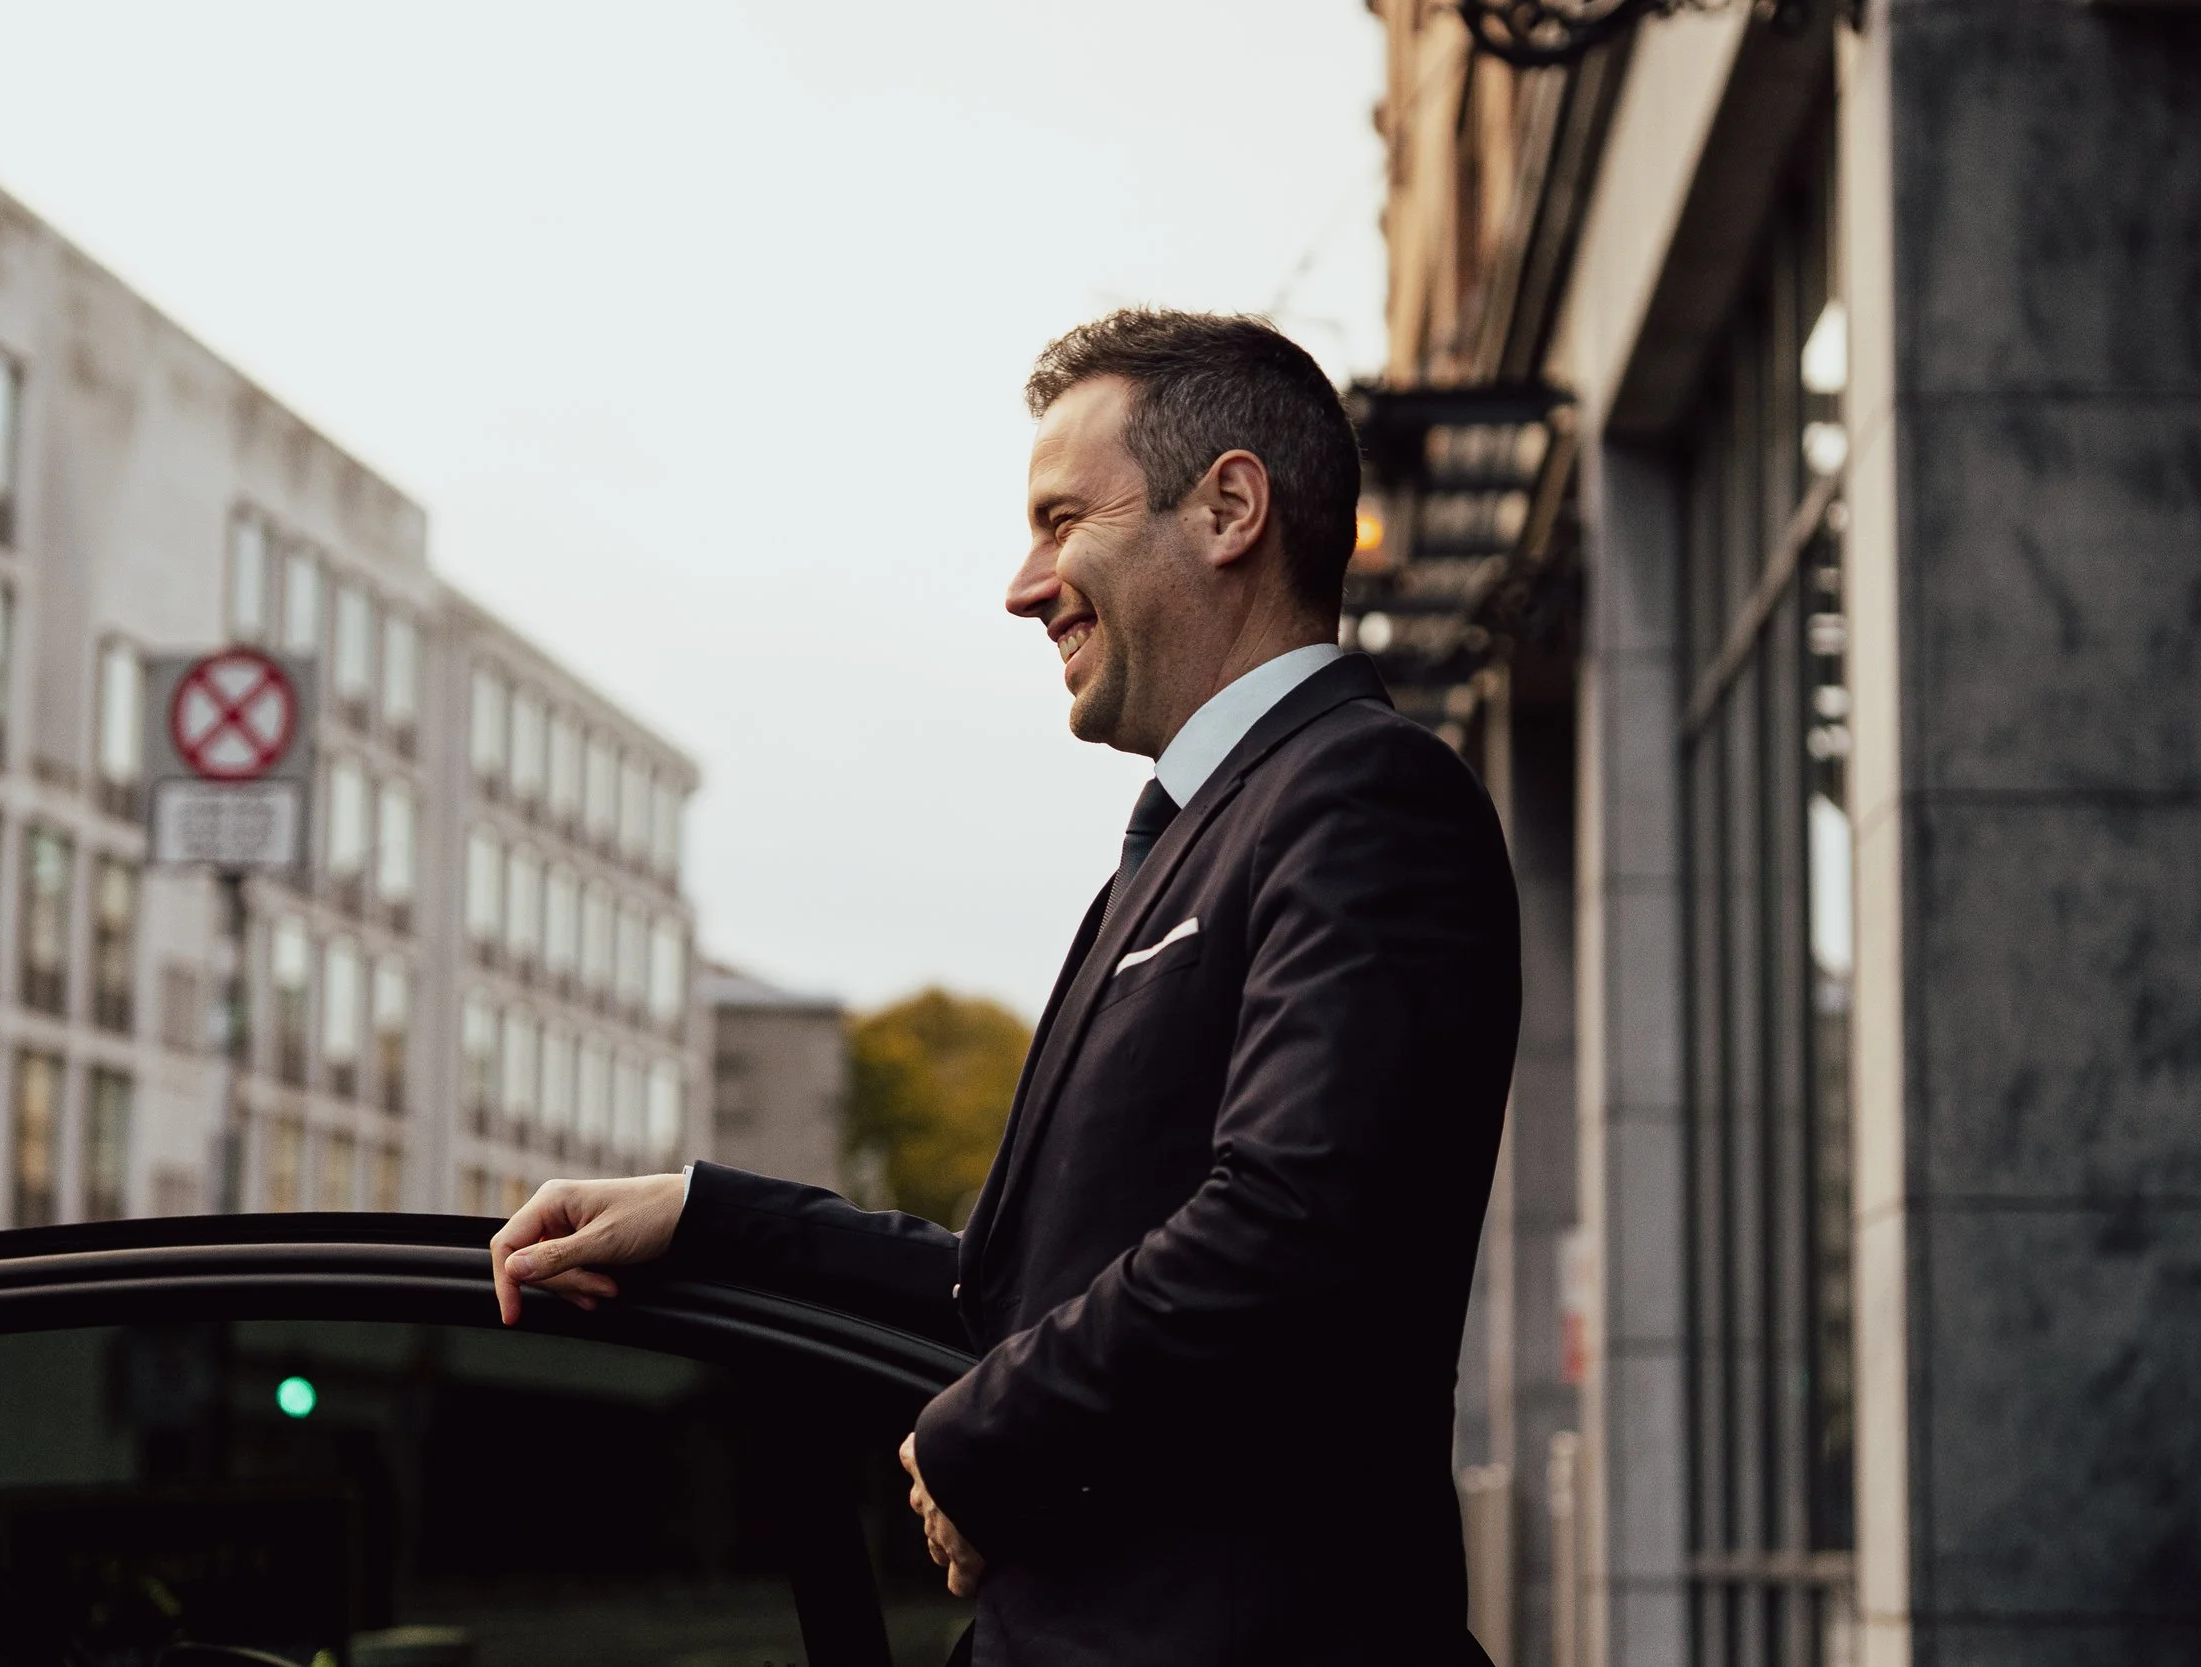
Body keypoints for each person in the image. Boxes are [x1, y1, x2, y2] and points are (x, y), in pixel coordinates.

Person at [489, 309, 1521, 1666]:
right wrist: (705, 1221)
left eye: (1060, 520)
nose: (1024, 585)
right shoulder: (1186, 842)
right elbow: (1018, 1295)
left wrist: (986, 1433)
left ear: (1228, 508)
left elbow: (1294, 1224)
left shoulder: (1369, 796)